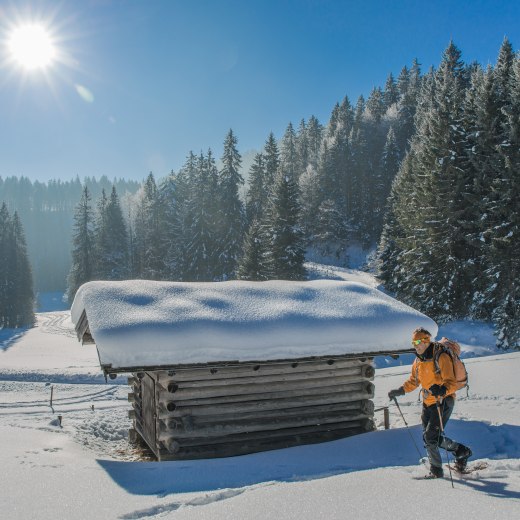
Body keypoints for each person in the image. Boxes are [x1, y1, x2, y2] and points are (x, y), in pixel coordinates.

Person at [388, 327, 472, 478]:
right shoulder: (418, 360)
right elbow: (414, 381)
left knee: (430, 437)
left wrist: (442, 390)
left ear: (427, 341)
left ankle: (436, 471)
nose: (416, 345)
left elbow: (451, 383)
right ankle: (460, 451)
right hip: (428, 402)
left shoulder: (441, 356)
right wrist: (400, 390)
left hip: (443, 401)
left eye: (419, 341)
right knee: (430, 437)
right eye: (414, 342)